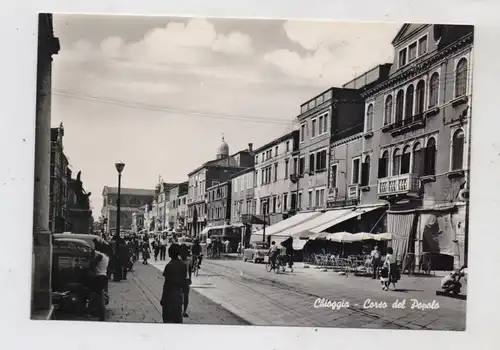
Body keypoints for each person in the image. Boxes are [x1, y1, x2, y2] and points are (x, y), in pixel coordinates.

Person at [160, 244, 187, 323]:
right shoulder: (183, 265)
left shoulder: (169, 266)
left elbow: (166, 284)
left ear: (170, 253)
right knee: (177, 320)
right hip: (178, 295)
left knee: (167, 320)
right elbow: (184, 282)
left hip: (169, 296)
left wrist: (163, 298)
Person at [91, 241, 109, 321]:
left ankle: (102, 316)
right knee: (99, 296)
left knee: (100, 297)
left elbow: (93, 264)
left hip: (99, 277)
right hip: (104, 276)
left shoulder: (100, 256)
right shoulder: (106, 257)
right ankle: (99, 314)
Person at [179, 244, 193, 317]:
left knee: (186, 296)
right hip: (179, 280)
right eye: (182, 252)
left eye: (184, 252)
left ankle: (184, 311)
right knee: (179, 296)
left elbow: (190, 269)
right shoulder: (178, 260)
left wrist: (190, 278)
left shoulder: (189, 260)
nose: (183, 254)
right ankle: (180, 310)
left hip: (186, 279)